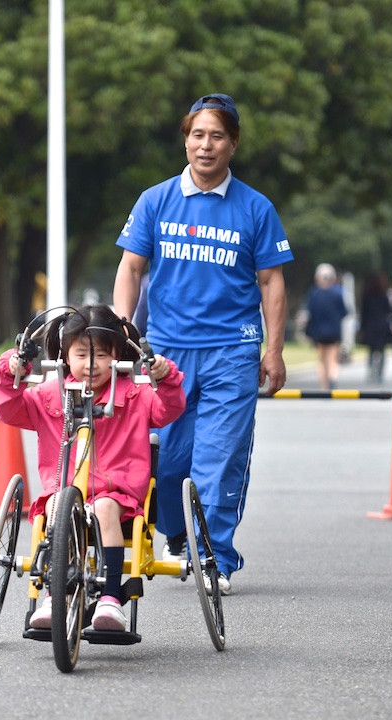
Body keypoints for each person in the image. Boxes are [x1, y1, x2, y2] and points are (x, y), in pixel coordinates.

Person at [112, 93, 293, 594]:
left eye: (216, 136)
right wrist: (122, 332)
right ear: (186, 140)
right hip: (166, 354)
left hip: (232, 351)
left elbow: (271, 281)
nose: (205, 145)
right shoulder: (156, 200)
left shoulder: (256, 209)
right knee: (166, 459)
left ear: (233, 144)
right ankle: (175, 533)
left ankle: (216, 557)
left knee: (219, 456)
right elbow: (131, 267)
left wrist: (272, 350)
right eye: (197, 135)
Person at [0, 306, 186, 632]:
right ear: (65, 355)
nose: (91, 364)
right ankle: (55, 595)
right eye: (81, 354)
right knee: (54, 506)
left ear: (118, 356)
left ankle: (110, 598)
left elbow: (170, 408)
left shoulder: (135, 394)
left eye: (101, 355)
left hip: (116, 492)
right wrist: (12, 369)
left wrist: (165, 377)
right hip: (65, 489)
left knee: (106, 506)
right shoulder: (49, 396)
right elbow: (8, 407)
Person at [303, 263, 349, 389]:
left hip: (318, 331)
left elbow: (309, 312)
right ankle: (333, 378)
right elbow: (344, 312)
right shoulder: (337, 293)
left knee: (322, 360)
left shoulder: (314, 293)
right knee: (333, 358)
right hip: (334, 331)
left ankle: (324, 386)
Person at [358, 272, 392, 384]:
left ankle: (370, 371)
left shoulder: (367, 295)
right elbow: (388, 311)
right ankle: (380, 373)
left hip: (370, 326)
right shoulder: (384, 295)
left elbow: (363, 313)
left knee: (371, 351)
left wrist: (362, 327)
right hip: (382, 326)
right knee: (381, 351)